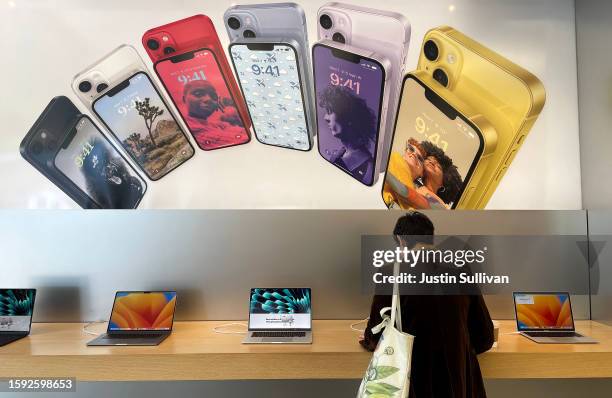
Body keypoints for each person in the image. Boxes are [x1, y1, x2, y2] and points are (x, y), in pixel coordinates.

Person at [360, 211, 494, 398]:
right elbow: (485, 337)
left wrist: (367, 339)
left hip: (413, 384)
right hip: (457, 386)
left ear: (401, 241)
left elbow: (374, 335)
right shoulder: (461, 268)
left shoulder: (390, 271)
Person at [318, 85, 375, 184]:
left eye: (330, 111)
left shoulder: (368, 170)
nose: (325, 118)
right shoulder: (339, 155)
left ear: (348, 116)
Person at [181, 80, 245, 148]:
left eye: (213, 96)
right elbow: (242, 139)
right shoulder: (189, 127)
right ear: (184, 99)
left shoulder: (215, 124)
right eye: (198, 94)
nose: (208, 99)